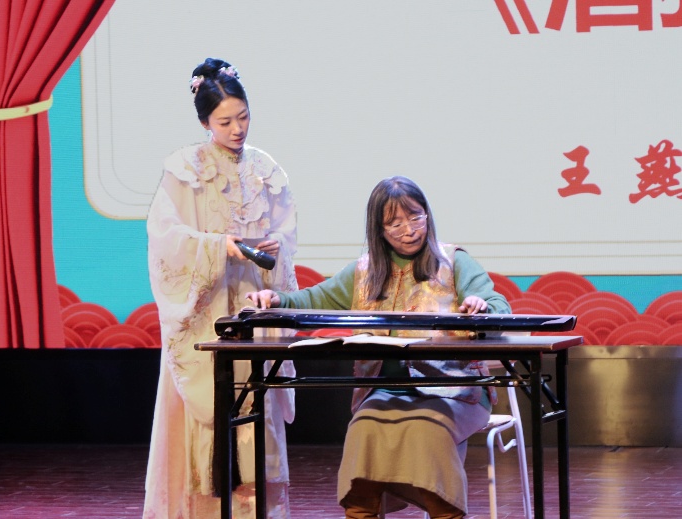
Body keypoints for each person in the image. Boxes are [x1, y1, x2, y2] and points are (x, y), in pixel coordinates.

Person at [246, 176, 511, 519]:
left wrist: (481, 306)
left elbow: (498, 305)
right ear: (380, 230)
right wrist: (276, 299)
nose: (409, 230)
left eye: (415, 217)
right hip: (384, 390)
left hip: (455, 390)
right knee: (364, 428)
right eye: (395, 223)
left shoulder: (453, 261)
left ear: (427, 215)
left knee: (426, 428)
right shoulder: (364, 271)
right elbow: (313, 298)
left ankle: (447, 514)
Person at [144, 58, 298, 519]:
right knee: (209, 412)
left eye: (243, 117)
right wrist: (217, 247)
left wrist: (276, 244)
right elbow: (165, 239)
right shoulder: (184, 169)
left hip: (252, 306)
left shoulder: (266, 169)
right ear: (204, 122)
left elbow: (286, 229)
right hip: (206, 311)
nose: (237, 129)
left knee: (256, 410)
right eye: (225, 121)